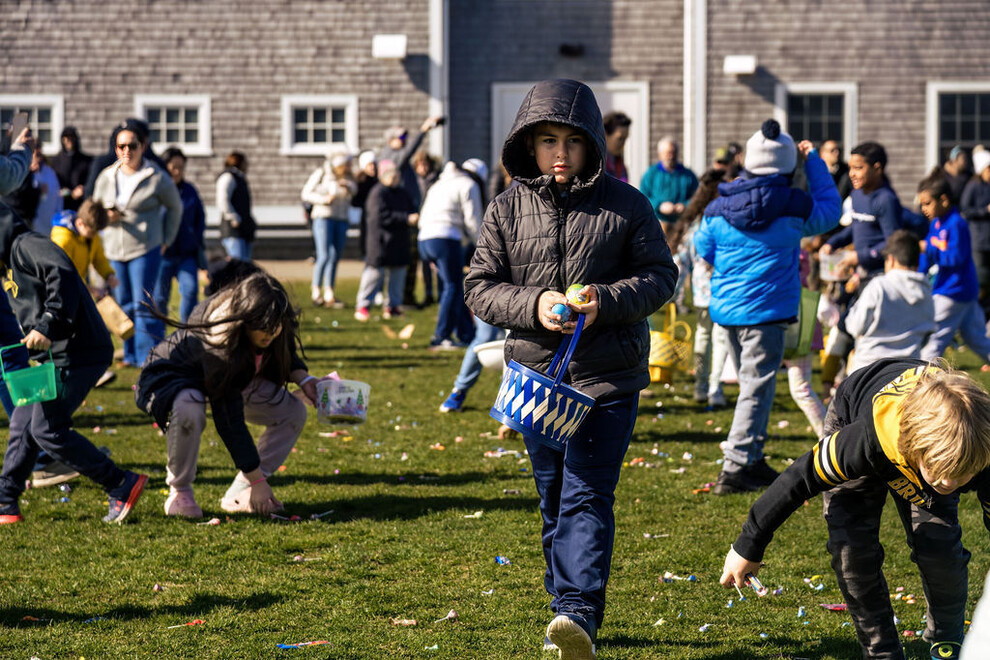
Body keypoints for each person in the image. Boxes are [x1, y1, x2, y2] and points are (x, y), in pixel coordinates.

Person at [464, 79, 677, 660]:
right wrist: (534, 305)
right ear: (527, 145)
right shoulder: (506, 207)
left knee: (586, 492)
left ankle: (577, 610)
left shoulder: (627, 203)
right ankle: (565, 604)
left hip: (609, 376)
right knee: (554, 495)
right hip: (538, 379)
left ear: (592, 143)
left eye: (572, 141)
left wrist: (603, 301)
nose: (560, 153)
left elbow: (661, 276)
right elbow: (479, 286)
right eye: (547, 141)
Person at [720, 359, 990, 660]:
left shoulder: (979, 449)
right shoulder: (862, 441)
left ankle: (947, 643)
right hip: (855, 414)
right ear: (916, 447)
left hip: (933, 445)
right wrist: (748, 545)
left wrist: (943, 472)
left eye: (961, 474)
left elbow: (950, 475)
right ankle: (881, 652)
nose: (948, 483)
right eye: (939, 472)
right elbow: (799, 478)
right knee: (852, 551)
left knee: (940, 550)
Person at [693, 120, 841, 495]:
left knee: (752, 386)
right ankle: (735, 467)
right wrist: (813, 162)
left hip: (727, 310)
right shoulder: (794, 208)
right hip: (768, 311)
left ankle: (752, 458)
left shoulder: (718, 207)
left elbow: (702, 246)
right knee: (756, 388)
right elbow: (830, 210)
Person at [0, 203, 147, 524]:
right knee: (23, 420)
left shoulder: (25, 245)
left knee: (47, 429)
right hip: (54, 356)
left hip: (79, 351)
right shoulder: (7, 263)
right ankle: (5, 500)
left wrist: (48, 324)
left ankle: (120, 482)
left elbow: (62, 272)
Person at [135, 271, 314, 518]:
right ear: (244, 318)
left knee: (292, 411)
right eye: (263, 327)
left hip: (235, 379)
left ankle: (241, 491)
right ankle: (180, 491)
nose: (271, 333)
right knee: (189, 407)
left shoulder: (273, 318)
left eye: (276, 326)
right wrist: (258, 480)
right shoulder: (220, 342)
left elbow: (285, 351)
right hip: (177, 379)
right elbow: (229, 419)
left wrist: (306, 380)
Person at [92, 122, 182, 368]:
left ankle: (148, 357)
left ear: (143, 146)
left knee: (143, 304)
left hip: (145, 248)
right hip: (113, 249)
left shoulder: (156, 176)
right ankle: (129, 354)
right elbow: (94, 210)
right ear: (115, 148)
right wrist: (106, 217)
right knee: (123, 304)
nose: (127, 151)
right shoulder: (107, 176)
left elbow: (175, 207)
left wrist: (166, 240)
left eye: (132, 146)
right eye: (121, 146)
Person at [819, 141, 905, 397]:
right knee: (844, 327)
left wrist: (860, 257)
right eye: (851, 168)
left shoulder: (886, 200)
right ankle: (832, 387)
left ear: (877, 168)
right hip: (860, 276)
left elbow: (892, 242)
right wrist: (833, 242)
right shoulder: (857, 195)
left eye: (859, 168)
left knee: (854, 331)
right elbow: (856, 229)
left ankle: (851, 389)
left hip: (878, 279)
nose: (852, 174)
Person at [917, 177, 990, 364]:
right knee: (977, 340)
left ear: (943, 200)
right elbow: (928, 256)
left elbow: (956, 257)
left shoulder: (956, 224)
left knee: (933, 338)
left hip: (953, 291)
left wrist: (929, 248)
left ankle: (926, 377)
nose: (923, 209)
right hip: (961, 292)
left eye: (927, 203)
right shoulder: (936, 223)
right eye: (922, 204)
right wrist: (918, 275)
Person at [845, 229, 935, 374]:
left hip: (869, 371)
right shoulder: (926, 292)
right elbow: (927, 336)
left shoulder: (879, 286)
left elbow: (855, 326)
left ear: (891, 260)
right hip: (908, 373)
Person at [418, 160, 482, 347]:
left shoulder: (437, 185)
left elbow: (423, 216)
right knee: (452, 286)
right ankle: (441, 336)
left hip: (425, 239)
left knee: (451, 287)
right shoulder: (468, 184)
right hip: (446, 238)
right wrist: (482, 245)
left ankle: (466, 333)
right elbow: (473, 220)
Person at [353, 161, 416, 322]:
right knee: (374, 274)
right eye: (393, 176)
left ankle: (393, 306)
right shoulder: (377, 193)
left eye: (397, 176)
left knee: (398, 274)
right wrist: (405, 218)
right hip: (380, 241)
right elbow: (380, 216)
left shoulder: (403, 193)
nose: (396, 179)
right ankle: (363, 305)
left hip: (399, 241)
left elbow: (412, 208)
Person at [155, 147, 205, 323]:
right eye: (173, 167)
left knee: (191, 290)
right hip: (162, 255)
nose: (177, 171)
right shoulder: (157, 189)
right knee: (159, 297)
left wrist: (196, 240)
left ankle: (188, 330)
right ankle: (159, 331)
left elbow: (200, 218)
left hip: (186, 254)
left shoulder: (190, 191)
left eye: (181, 168)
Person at [301, 150, 356, 307]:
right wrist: (324, 199)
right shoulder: (322, 173)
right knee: (324, 255)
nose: (349, 167)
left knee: (335, 256)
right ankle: (316, 290)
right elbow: (306, 193)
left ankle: (329, 291)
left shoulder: (348, 178)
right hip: (323, 217)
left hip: (342, 218)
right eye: (346, 164)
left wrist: (348, 186)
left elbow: (355, 191)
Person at [639, 135, 698, 233]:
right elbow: (643, 197)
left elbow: (697, 196)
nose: (671, 156)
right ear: (660, 154)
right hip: (657, 223)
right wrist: (659, 206)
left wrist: (685, 205)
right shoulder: (651, 174)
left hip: (681, 225)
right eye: (667, 153)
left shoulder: (688, 175)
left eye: (673, 152)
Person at [960, 148, 990, 314]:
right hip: (978, 240)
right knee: (980, 278)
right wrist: (985, 211)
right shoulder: (972, 186)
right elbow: (966, 210)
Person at [216, 151, 256, 261]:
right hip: (233, 230)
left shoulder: (240, 178)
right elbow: (222, 200)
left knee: (245, 265)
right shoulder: (228, 177)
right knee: (237, 264)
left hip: (244, 229)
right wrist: (233, 217)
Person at [50, 126, 92, 213]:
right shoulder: (55, 161)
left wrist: (83, 189)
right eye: (66, 138)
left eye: (71, 137)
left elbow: (90, 180)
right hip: (60, 206)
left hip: (80, 204)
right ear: (62, 140)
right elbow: (51, 182)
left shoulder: (86, 161)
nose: (69, 140)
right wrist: (67, 193)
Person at [30, 145, 62, 236]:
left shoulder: (50, 172)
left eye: (39, 154)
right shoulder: (27, 174)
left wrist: (58, 215)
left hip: (49, 220)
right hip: (34, 221)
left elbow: (58, 195)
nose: (38, 158)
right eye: (35, 155)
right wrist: (38, 191)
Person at [602, 111, 631, 182]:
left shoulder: (620, 165)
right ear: (605, 135)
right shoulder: (596, 166)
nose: (623, 144)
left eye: (625, 139)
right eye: (620, 139)